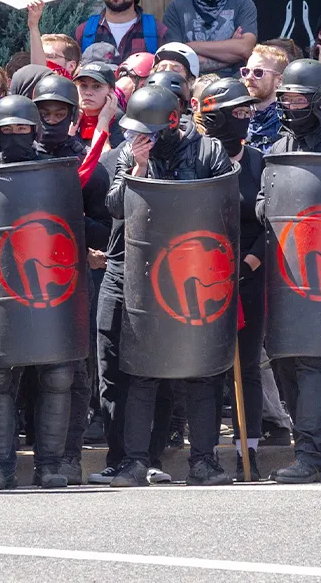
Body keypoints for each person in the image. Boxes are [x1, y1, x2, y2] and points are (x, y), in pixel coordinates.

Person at [104, 84, 234, 487]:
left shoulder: (208, 151)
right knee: (141, 370)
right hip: (143, 274)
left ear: (171, 124)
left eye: (146, 132)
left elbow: (225, 204)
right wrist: (139, 171)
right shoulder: (130, 154)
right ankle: (135, 461)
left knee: (201, 371)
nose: (137, 139)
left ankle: (204, 460)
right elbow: (115, 206)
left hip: (193, 270)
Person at [250, 60, 321, 483]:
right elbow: (265, 204)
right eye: (286, 99)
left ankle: (314, 457)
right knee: (284, 361)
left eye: (299, 99)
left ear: (318, 100)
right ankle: (312, 453)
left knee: (314, 362)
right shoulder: (276, 149)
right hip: (283, 274)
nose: (292, 107)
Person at [0, 95, 77, 489]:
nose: (15, 136)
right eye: (7, 130)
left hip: (48, 291)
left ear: (35, 130)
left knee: (58, 373)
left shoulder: (53, 170)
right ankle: (0, 466)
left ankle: (50, 465)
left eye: (22, 129)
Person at [195, 78, 266, 479]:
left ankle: (249, 450)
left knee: (249, 365)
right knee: (207, 365)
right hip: (204, 277)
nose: (243, 118)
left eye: (247, 111)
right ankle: (203, 453)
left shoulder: (259, 162)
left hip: (248, 276)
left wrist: (248, 265)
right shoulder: (198, 158)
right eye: (236, 112)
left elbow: (269, 223)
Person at [242, 45, 288, 150]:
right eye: (246, 71)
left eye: (258, 72)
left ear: (279, 80)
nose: (249, 77)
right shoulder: (236, 116)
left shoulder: (288, 122)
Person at [32, 74, 85, 159]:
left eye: (59, 115)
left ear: (73, 115)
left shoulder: (80, 159)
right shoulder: (24, 154)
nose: (51, 120)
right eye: (44, 114)